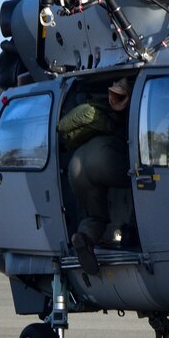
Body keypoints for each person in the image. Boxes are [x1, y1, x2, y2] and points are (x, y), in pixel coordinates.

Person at [59, 77, 132, 274]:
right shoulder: (127, 112)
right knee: (142, 184)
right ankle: (132, 233)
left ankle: (85, 238)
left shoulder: (96, 109)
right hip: (103, 160)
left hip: (76, 165)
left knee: (94, 215)